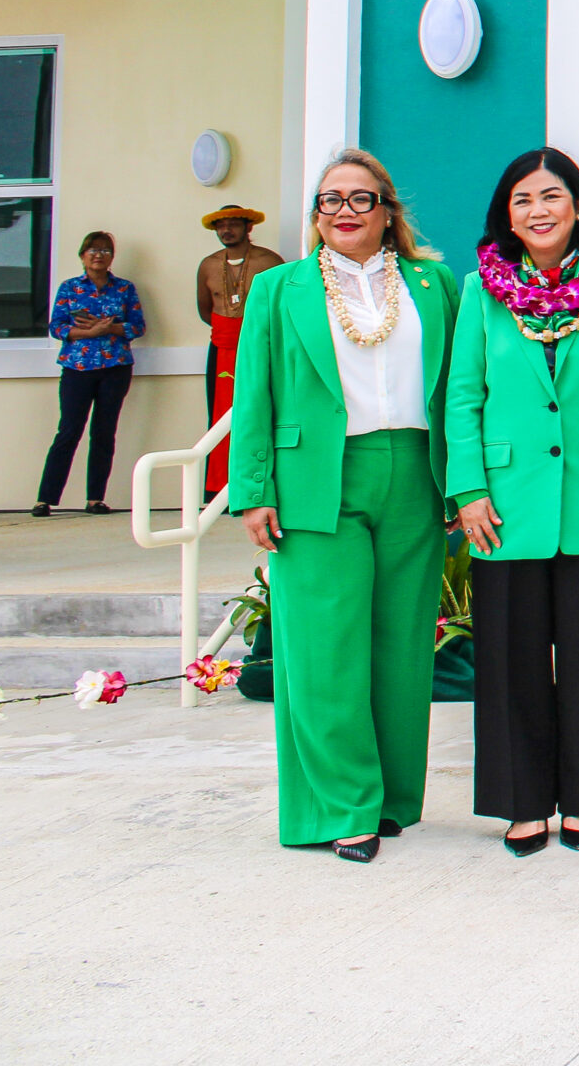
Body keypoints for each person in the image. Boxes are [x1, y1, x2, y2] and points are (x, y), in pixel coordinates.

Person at [228, 152, 456, 859]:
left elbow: (459, 386)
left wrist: (464, 480)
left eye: (362, 198)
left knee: (402, 646)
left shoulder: (433, 283)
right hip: (315, 477)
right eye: (331, 199)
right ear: (316, 213)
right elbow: (252, 393)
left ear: (388, 211)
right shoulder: (279, 288)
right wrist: (253, 491)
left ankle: (391, 798)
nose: (345, 210)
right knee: (324, 648)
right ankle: (342, 804)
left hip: (414, 471)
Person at [444, 148, 579, 858]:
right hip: (504, 506)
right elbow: (462, 397)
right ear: (508, 214)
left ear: (578, 204)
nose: (538, 211)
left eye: (551, 196)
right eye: (522, 199)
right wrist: (469, 490)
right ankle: (521, 802)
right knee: (509, 660)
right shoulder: (481, 291)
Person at [35, 232, 144, 517]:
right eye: (93, 250)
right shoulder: (70, 288)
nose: (98, 255)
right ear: (83, 255)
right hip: (77, 369)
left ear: (112, 257)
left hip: (115, 369)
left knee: (104, 433)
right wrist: (90, 332)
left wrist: (110, 328)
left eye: (105, 251)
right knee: (69, 431)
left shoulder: (124, 288)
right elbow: (57, 327)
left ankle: (95, 498)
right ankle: (45, 499)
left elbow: (138, 326)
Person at [197, 204, 281, 494]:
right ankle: (218, 487)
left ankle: (260, 484)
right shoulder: (208, 265)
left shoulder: (269, 262)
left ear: (248, 227)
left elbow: (280, 307)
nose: (226, 230)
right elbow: (205, 309)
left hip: (259, 347)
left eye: (233, 224)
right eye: (221, 226)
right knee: (219, 414)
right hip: (221, 346)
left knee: (259, 411)